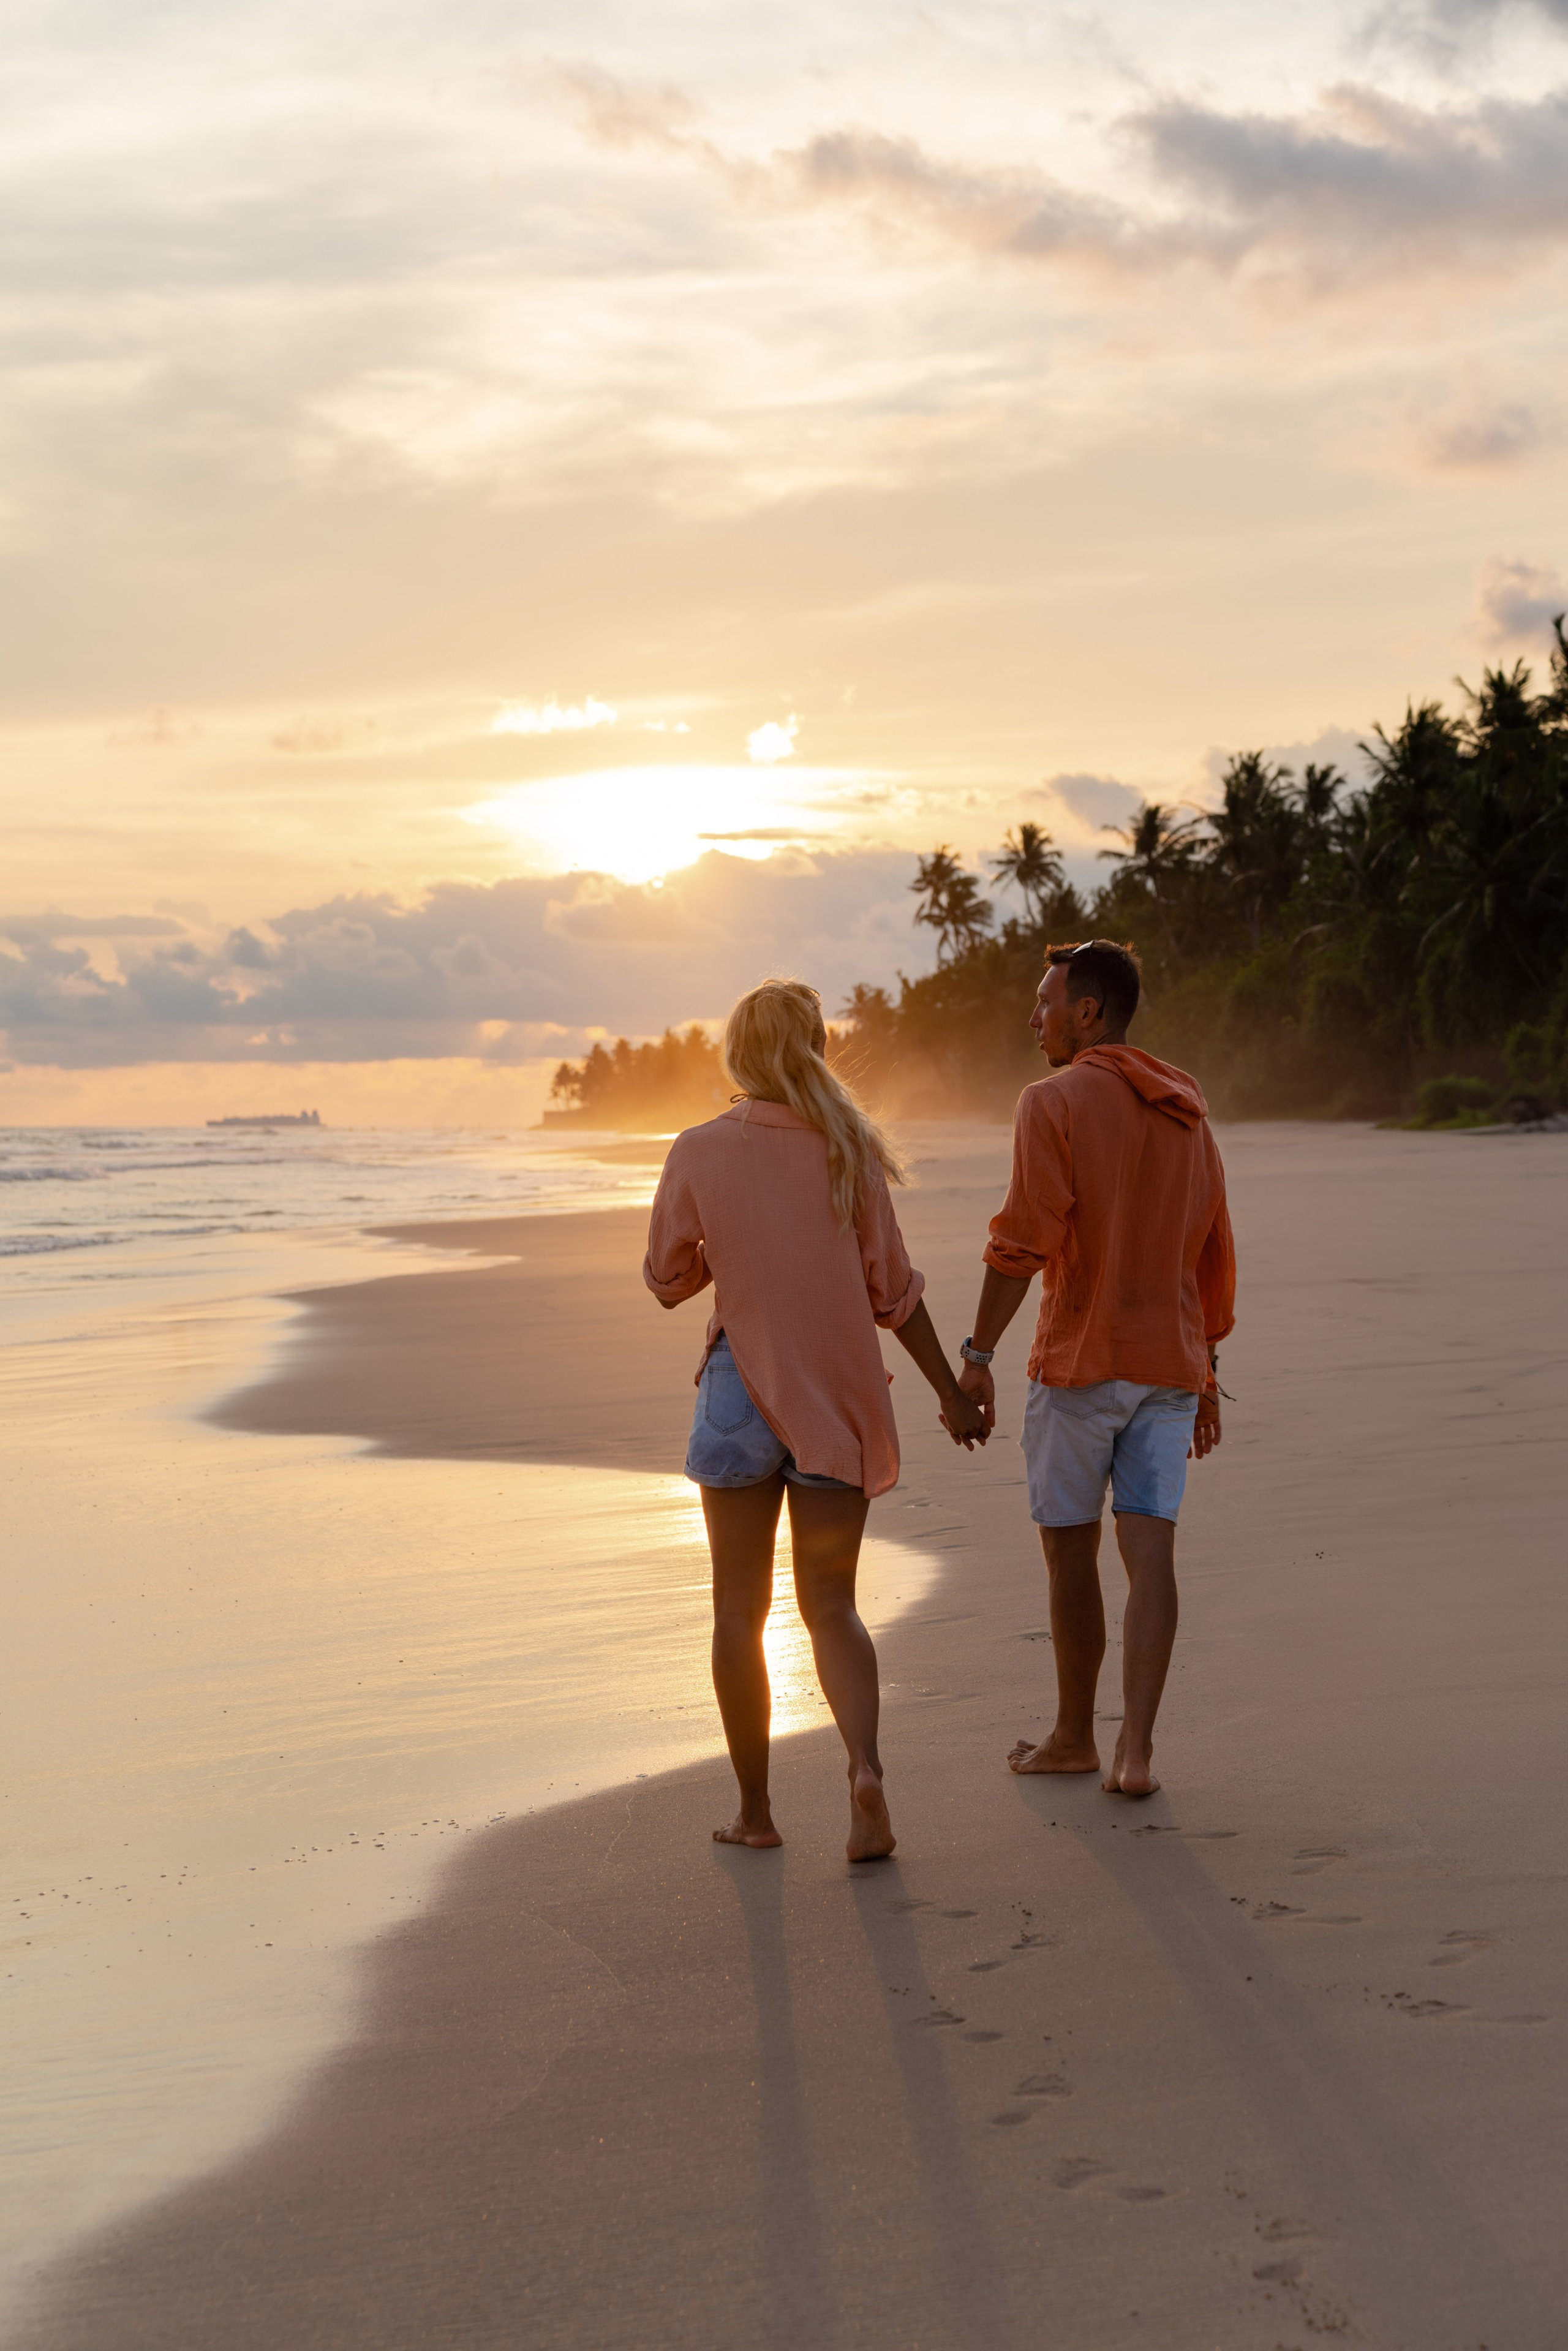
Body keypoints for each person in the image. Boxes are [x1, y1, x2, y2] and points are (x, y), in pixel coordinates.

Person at [644, 978, 989, 1862]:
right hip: (836, 1397)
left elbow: (667, 1279)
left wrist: (726, 1251)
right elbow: (894, 1293)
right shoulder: (849, 1150)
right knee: (831, 1605)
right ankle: (865, 1770)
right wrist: (951, 1391)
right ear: (815, 1049)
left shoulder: (698, 1148)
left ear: (739, 1052)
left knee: (738, 1613)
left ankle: (757, 1812)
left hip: (736, 1397)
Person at [956, 940, 1235, 1798]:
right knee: (1152, 1552)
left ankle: (1075, 1736)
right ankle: (1137, 1753)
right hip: (1169, 1369)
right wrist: (1207, 1367)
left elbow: (1024, 1240)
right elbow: (1210, 1248)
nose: (1033, 1017)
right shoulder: (1187, 1106)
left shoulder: (1053, 1101)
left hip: (1080, 1367)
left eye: (1046, 1002)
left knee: (1069, 1550)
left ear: (1089, 1011)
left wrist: (976, 1356)